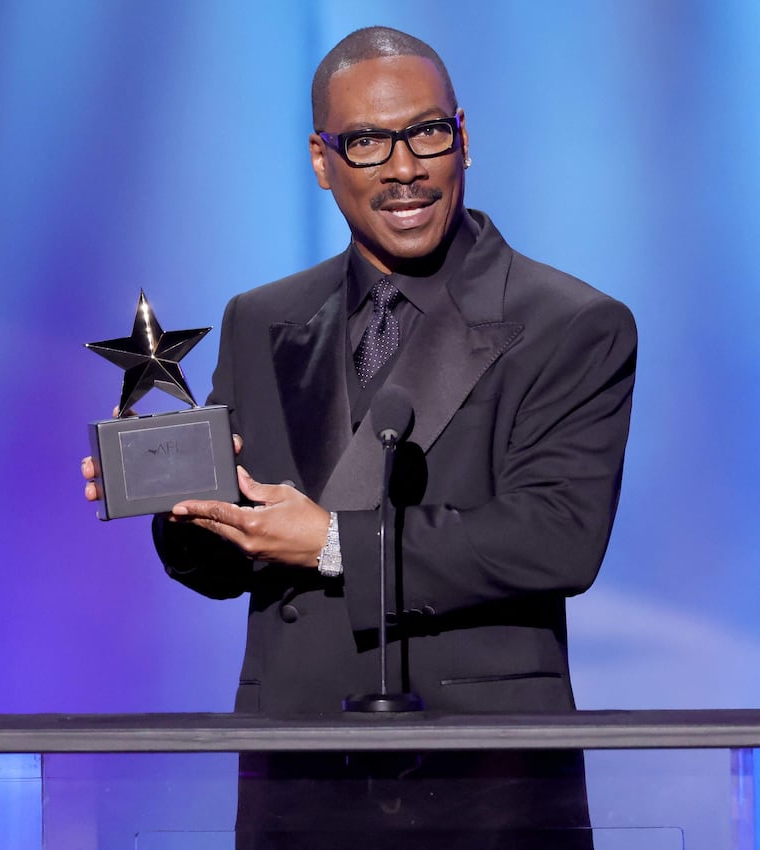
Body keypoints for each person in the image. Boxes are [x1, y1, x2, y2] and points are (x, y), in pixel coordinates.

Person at [83, 26, 636, 848]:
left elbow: (556, 540)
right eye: (368, 141)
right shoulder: (262, 319)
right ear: (322, 159)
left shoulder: (570, 324)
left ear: (463, 138)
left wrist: (334, 542)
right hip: (298, 771)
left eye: (427, 133)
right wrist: (188, 507)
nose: (404, 168)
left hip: (482, 783)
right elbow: (240, 560)